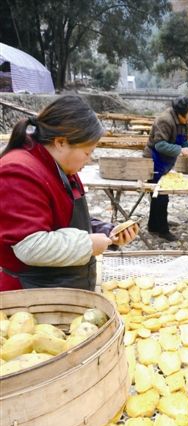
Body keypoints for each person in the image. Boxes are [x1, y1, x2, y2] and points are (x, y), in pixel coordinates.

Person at [0, 95, 139, 292]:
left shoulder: (60, 167)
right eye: (87, 153)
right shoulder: (18, 171)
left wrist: (106, 231)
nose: (89, 160)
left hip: (63, 285)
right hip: (32, 293)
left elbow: (65, 219)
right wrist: (88, 244)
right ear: (60, 142)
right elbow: (30, 246)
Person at [143, 96, 188, 241]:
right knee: (160, 195)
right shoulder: (165, 120)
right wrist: (180, 150)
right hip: (154, 160)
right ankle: (162, 230)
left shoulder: (183, 122)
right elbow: (160, 145)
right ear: (181, 112)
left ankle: (154, 225)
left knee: (159, 195)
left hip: (165, 161)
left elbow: (184, 140)